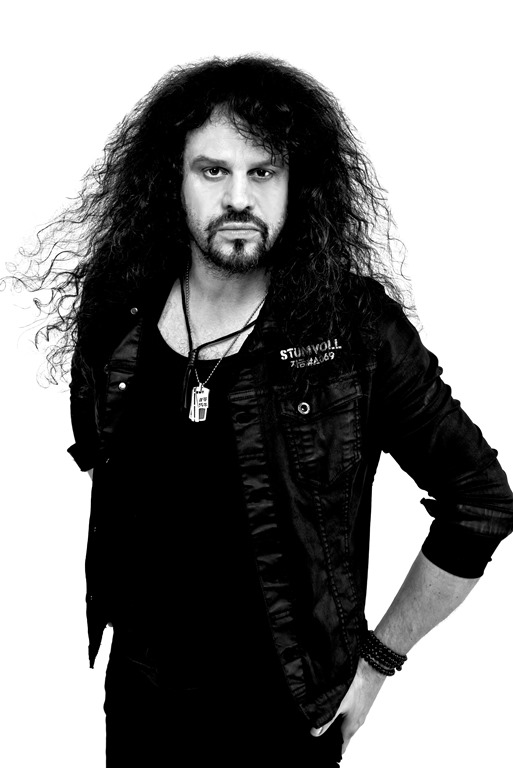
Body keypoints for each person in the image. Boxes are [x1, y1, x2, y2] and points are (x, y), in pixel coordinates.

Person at [12, 55, 513, 766]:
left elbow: (480, 502)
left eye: (263, 171)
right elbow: (107, 464)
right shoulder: (118, 313)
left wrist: (377, 661)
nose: (238, 197)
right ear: (171, 180)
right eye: (213, 171)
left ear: (295, 185)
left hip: (287, 718)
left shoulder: (353, 328)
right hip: (141, 702)